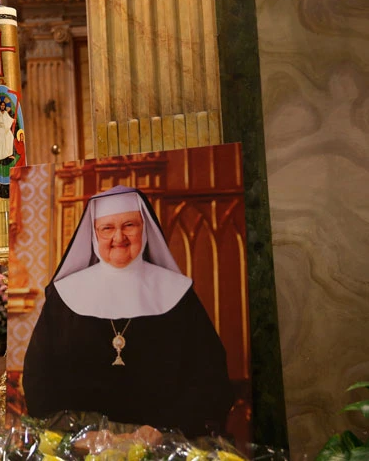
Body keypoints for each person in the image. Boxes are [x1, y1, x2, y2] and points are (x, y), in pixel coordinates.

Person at [23, 185, 233, 437]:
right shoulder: (64, 295)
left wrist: (165, 429)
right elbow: (38, 377)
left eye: (129, 225)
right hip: (82, 444)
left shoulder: (177, 293)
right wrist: (75, 433)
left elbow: (209, 375)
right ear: (94, 234)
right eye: (107, 228)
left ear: (144, 230)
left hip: (164, 442)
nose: (118, 237)